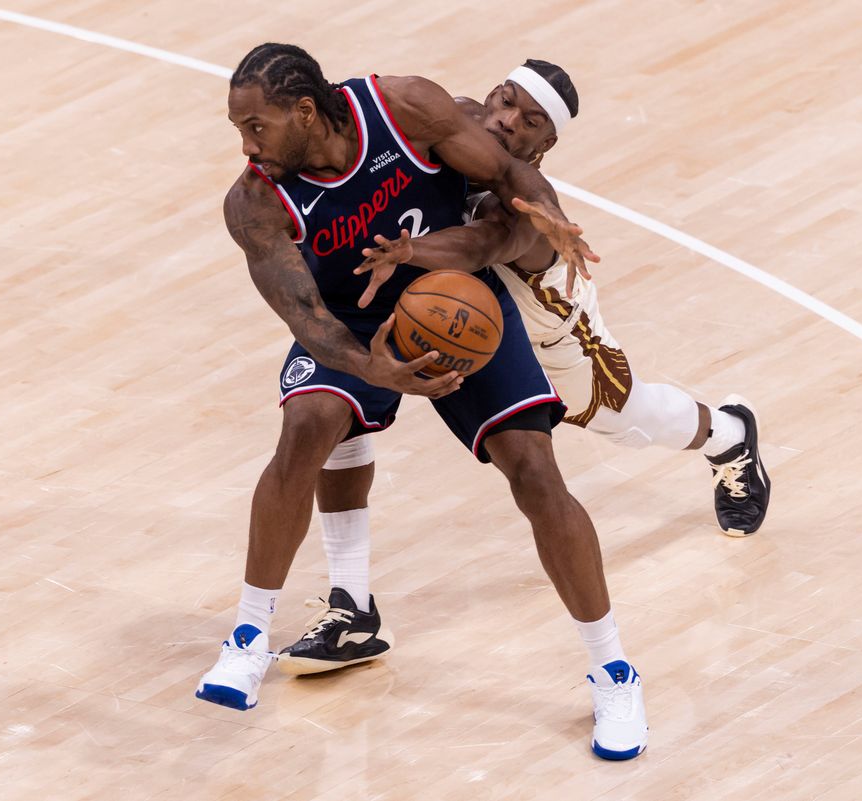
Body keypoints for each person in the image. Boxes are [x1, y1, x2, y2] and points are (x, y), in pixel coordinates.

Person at [195, 43, 649, 761]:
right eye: (239, 129)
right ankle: (248, 637)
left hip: (458, 304)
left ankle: (614, 671)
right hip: (353, 322)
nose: (247, 146)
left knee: (537, 473)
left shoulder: (404, 108)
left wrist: (549, 212)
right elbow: (307, 319)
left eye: (256, 127)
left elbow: (508, 175)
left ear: (305, 112)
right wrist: (371, 366)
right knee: (308, 425)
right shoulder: (253, 203)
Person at [276, 59, 770, 709]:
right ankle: (351, 607)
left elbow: (481, 246)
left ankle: (728, 434)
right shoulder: (448, 121)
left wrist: (408, 250)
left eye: (529, 121)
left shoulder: (527, 202)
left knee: (628, 418)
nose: (509, 120)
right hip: (452, 317)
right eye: (505, 101)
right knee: (341, 399)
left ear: (545, 143)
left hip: (553, 336)